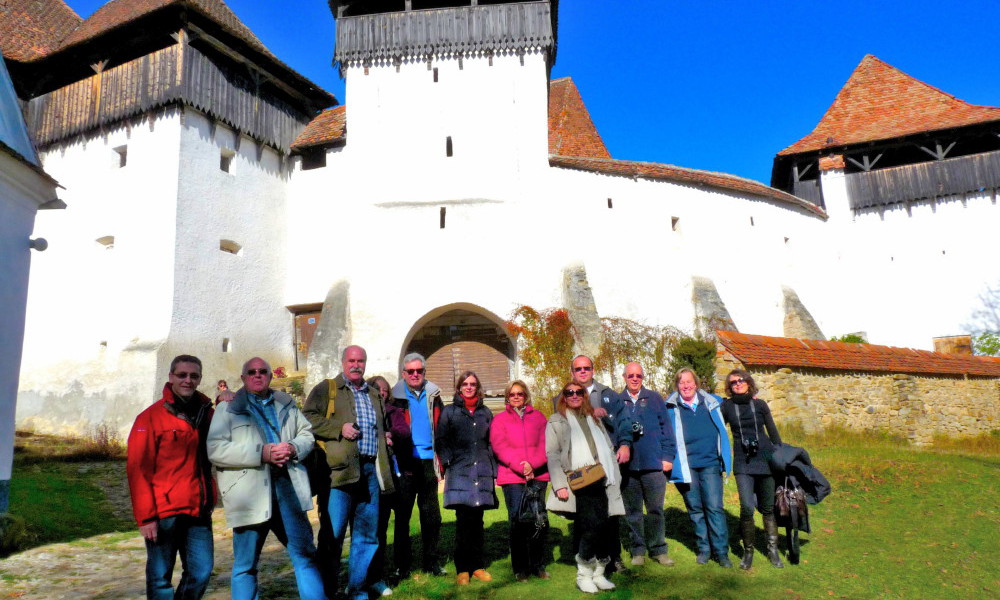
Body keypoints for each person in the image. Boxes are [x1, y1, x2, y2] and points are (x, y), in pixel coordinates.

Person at [207, 357, 326, 600]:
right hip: (249, 492)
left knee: (305, 556)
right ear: (243, 378)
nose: (257, 375)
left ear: (271, 376)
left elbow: (306, 433)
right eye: (251, 372)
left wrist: (292, 447)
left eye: (263, 371)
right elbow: (216, 450)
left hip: (287, 487)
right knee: (245, 565)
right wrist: (260, 453)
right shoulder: (227, 409)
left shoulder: (286, 403)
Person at [302, 346, 395, 600]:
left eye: (361, 361)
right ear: (343, 362)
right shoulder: (327, 388)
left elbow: (381, 427)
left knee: (367, 536)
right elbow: (306, 418)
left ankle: (358, 590)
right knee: (332, 536)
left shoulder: (374, 394)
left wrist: (384, 437)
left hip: (370, 473)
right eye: (351, 360)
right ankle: (327, 591)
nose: (356, 365)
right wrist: (337, 428)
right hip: (338, 475)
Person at [127, 354, 215, 600]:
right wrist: (145, 518)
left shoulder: (206, 412)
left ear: (199, 379)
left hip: (198, 507)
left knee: (201, 571)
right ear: (171, 377)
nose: (188, 380)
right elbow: (137, 469)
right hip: (164, 510)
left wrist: (226, 400)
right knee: (160, 577)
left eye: (193, 376)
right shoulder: (150, 417)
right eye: (182, 375)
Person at [546, 381, 626, 594]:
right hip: (577, 481)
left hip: (601, 478)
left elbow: (607, 448)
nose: (574, 395)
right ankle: (584, 574)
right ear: (563, 396)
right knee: (590, 527)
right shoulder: (557, 420)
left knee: (605, 526)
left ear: (584, 395)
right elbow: (552, 454)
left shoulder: (593, 418)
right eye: (569, 392)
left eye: (578, 392)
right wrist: (559, 484)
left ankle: (599, 574)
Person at [665, 368, 733, 568]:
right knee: (695, 509)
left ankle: (721, 552)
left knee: (714, 507)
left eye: (689, 381)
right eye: (681, 382)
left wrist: (751, 397)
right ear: (677, 386)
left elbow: (737, 403)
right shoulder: (670, 406)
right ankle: (704, 549)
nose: (685, 386)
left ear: (696, 383)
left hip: (710, 463)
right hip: (687, 467)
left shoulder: (713, 402)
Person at [435, 370, 498, 585]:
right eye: (465, 384)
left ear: (477, 387)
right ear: (459, 388)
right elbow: (441, 439)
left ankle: (478, 566)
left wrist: (493, 469)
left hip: (481, 471)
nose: (469, 387)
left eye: (473, 384)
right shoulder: (450, 412)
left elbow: (491, 442)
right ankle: (462, 568)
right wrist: (449, 461)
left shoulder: (485, 412)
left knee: (478, 522)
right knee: (463, 522)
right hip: (460, 472)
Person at [388, 352, 446, 579]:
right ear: (403, 374)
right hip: (405, 463)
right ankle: (402, 565)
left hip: (428, 461)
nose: (414, 375)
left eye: (418, 371)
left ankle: (431, 562)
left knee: (431, 516)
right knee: (402, 517)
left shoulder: (434, 395)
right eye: (410, 371)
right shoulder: (395, 397)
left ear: (424, 372)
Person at [720, 369, 784, 569]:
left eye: (741, 380)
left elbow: (772, 431)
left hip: (765, 460)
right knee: (747, 507)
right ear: (729, 387)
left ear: (749, 382)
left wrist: (782, 457)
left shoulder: (760, 404)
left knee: (767, 508)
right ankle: (748, 552)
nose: (738, 384)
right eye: (733, 383)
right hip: (742, 462)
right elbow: (715, 421)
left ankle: (772, 550)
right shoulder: (727, 406)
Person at [489, 380, 551, 581]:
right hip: (512, 477)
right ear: (507, 397)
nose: (516, 397)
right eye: (513, 394)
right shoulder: (499, 420)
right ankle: (520, 567)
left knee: (538, 520)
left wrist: (532, 464)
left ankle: (538, 564)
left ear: (526, 395)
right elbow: (499, 446)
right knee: (517, 521)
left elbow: (546, 443)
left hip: (538, 475)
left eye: (520, 393)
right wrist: (520, 466)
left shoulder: (539, 417)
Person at [616, 362, 677, 566]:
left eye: (638, 376)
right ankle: (638, 550)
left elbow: (667, 429)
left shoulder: (654, 398)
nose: (634, 379)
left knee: (655, 511)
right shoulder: (618, 401)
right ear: (624, 377)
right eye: (631, 375)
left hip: (654, 466)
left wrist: (668, 457)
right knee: (633, 512)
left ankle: (658, 549)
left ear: (643, 378)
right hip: (628, 468)